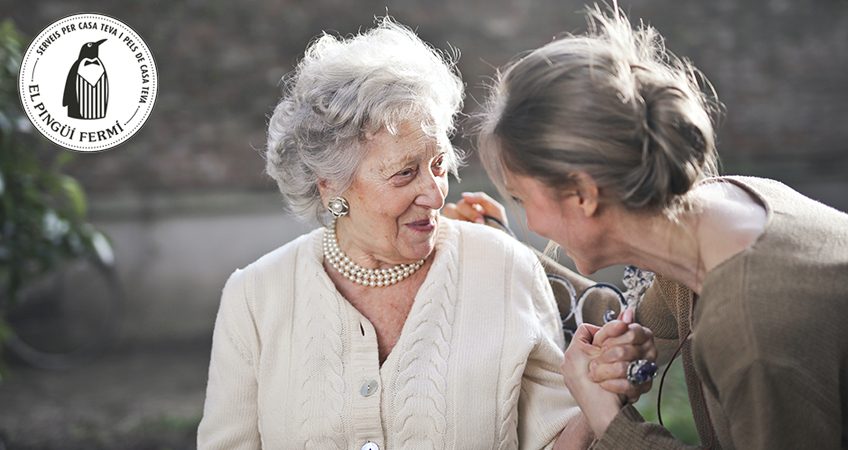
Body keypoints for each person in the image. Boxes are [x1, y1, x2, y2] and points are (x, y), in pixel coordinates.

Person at [196, 18, 655, 449]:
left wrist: (599, 391)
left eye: (438, 165)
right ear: (331, 185)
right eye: (404, 173)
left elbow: (555, 440)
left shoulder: (503, 267)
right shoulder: (255, 298)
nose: (435, 195)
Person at [471, 4, 848, 449]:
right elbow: (627, 336)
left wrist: (610, 420)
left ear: (583, 195)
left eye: (521, 198)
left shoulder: (751, 330)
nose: (530, 221)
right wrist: (615, 364)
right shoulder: (718, 213)